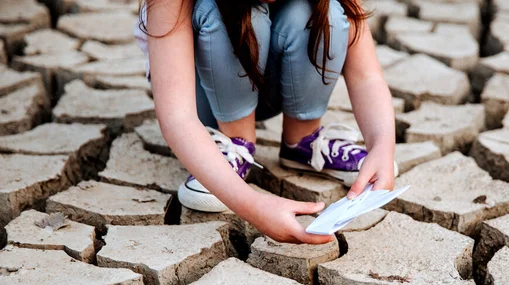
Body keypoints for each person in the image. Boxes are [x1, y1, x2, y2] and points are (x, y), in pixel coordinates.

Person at [135, 0, 398, 244]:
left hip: (272, 83)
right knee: (230, 12)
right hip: (205, 93)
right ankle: (234, 143)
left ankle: (303, 141)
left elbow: (367, 76)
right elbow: (177, 117)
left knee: (320, 12)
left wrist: (382, 146)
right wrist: (253, 205)